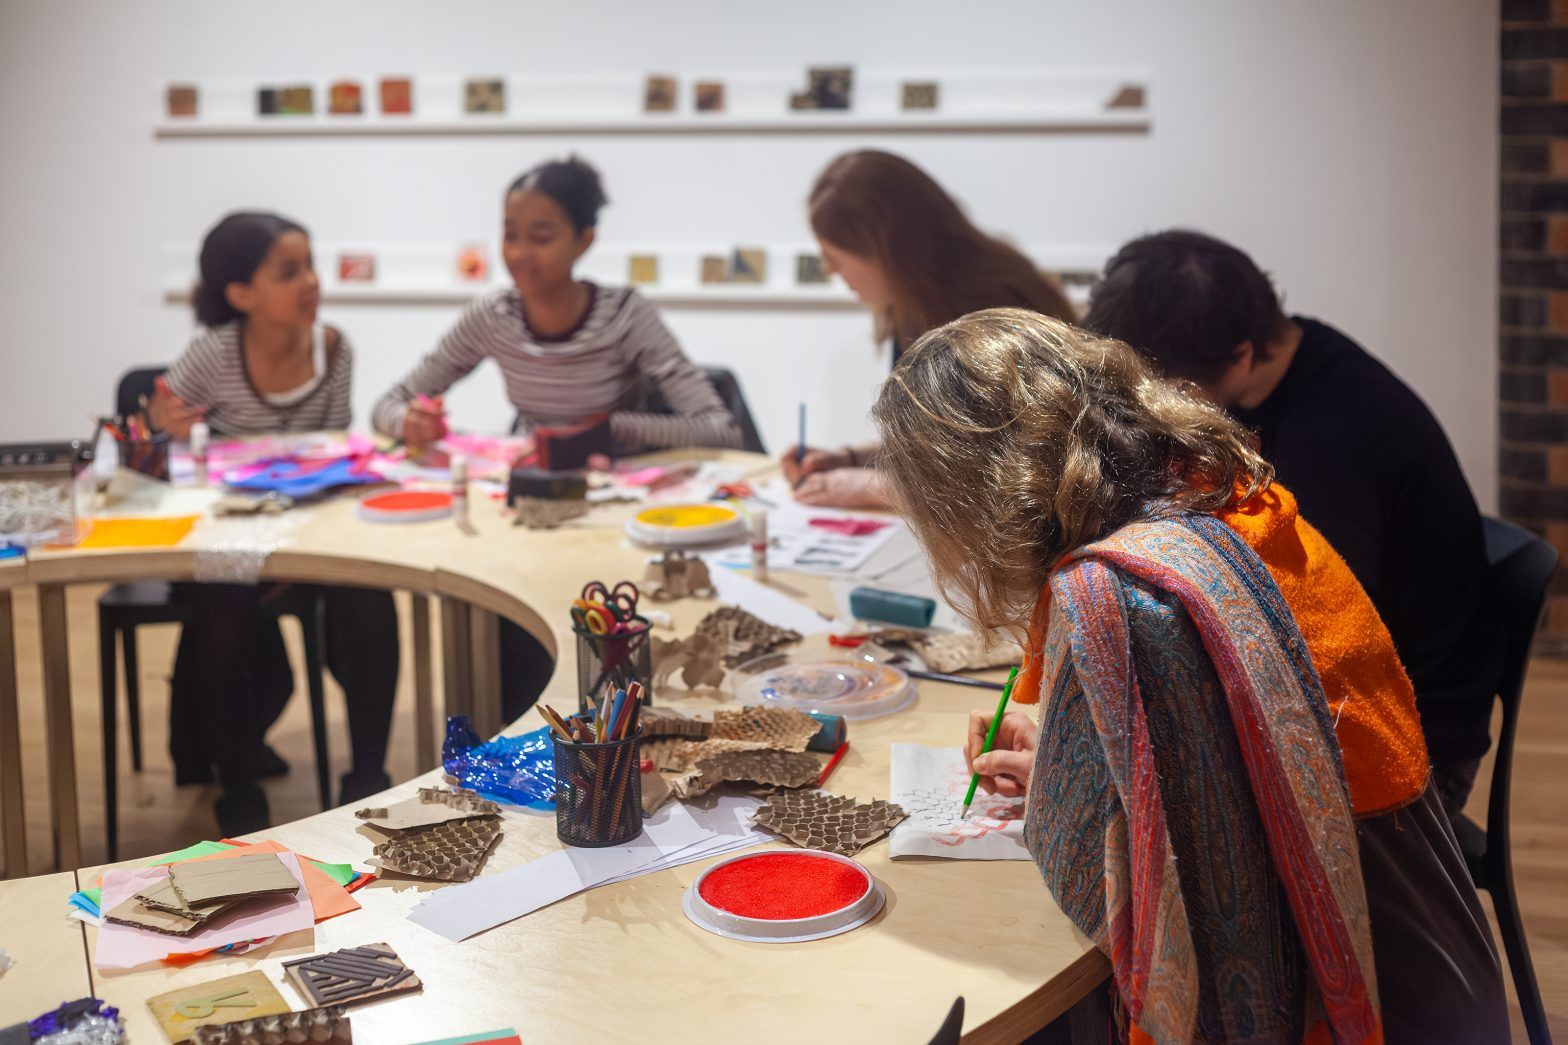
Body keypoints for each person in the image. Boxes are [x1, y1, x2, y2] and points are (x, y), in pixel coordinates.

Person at [875, 309, 1507, 1044]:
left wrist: (1057, 780)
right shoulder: (1219, 486)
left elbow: (1105, 888)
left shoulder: (1122, 599)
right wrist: (1065, 748)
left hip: (1350, 991)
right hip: (1427, 919)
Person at [1081, 230, 1502, 824]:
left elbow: (1297, 636)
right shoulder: (1269, 369)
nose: (1154, 408)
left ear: (1244, 356)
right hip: (1330, 690)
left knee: (1150, 816)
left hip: (1402, 738)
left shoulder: (1337, 435)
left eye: (1170, 391)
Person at [372, 156, 739, 722]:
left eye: (541, 237)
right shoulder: (494, 314)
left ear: (583, 240)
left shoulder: (623, 315)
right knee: (510, 623)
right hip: (528, 511)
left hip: (608, 521)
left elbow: (717, 426)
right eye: (510, 235)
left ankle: (590, 747)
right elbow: (388, 404)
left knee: (587, 641)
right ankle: (506, 737)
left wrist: (608, 431)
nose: (520, 253)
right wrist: (411, 422)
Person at [149, 211, 399, 835]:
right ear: (241, 295)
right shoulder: (211, 356)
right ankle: (239, 792)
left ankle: (367, 774)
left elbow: (335, 447)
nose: (311, 281)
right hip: (236, 539)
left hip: (315, 535)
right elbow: (161, 443)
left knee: (371, 600)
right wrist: (165, 426)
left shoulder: (333, 348)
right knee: (224, 607)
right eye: (290, 271)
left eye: (310, 264)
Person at [780, 149, 1076, 508]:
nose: (827, 267)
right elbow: (937, 441)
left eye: (835, 254)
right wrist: (851, 459)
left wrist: (870, 486)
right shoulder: (911, 305)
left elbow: (997, 473)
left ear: (886, 248)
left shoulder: (991, 312)